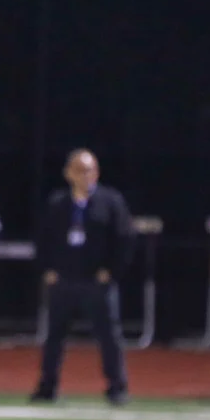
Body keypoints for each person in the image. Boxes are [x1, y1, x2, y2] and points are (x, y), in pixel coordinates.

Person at [31, 149, 132, 404]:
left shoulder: (110, 202)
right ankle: (47, 387)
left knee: (109, 336)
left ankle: (117, 387)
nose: (84, 176)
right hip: (64, 281)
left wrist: (111, 271)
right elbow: (43, 239)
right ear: (68, 174)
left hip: (96, 282)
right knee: (54, 336)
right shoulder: (58, 204)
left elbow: (124, 239)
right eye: (79, 170)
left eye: (89, 170)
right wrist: (47, 270)